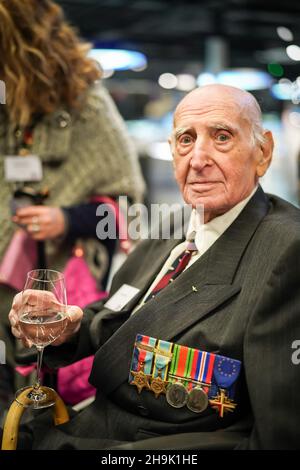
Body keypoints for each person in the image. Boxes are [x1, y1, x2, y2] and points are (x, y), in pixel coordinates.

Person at [8, 84, 300, 450]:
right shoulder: (175, 226)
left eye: (222, 137)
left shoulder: (286, 251)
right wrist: (70, 324)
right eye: (186, 140)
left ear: (263, 152)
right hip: (85, 422)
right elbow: (123, 316)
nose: (198, 158)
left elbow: (279, 437)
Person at [0, 0, 145, 403]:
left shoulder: (86, 104)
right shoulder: (6, 110)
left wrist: (66, 218)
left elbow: (126, 209)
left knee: (44, 402)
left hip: (58, 283)